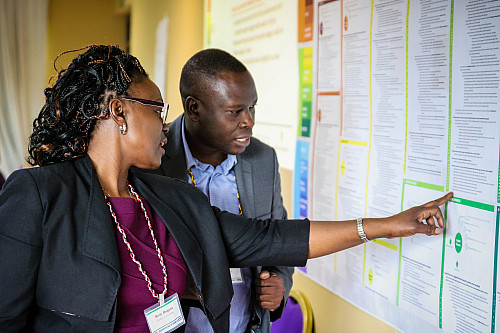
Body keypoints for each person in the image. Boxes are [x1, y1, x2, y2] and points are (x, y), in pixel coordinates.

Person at [0, 45, 452, 333]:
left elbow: (269, 238)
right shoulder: (39, 195)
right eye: (156, 109)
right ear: (119, 112)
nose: (164, 121)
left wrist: (391, 225)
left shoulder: (166, 197)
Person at [141, 49, 292, 333]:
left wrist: (279, 284)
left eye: (252, 107)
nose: (249, 121)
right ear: (195, 109)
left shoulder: (263, 160)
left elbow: (280, 239)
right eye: (235, 111)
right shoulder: (151, 160)